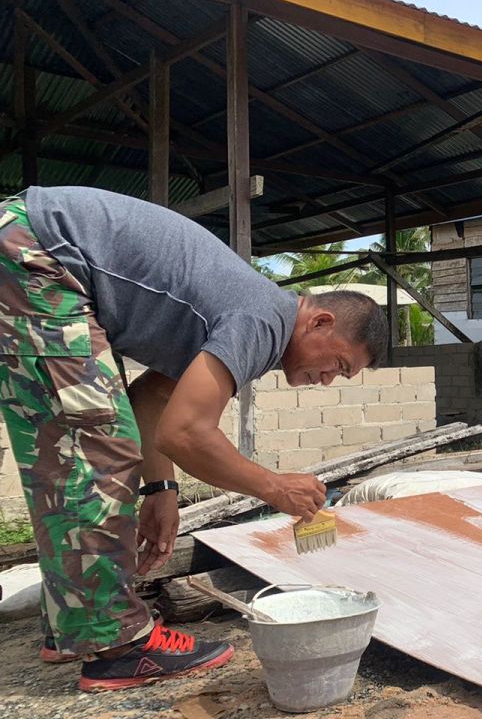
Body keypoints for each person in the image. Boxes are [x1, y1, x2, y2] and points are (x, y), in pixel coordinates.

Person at [0, 186, 387, 692]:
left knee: (76, 447)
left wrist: (161, 492)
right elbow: (187, 434)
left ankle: (76, 626)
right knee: (92, 446)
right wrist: (274, 488)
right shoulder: (261, 320)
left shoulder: (247, 316)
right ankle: (118, 649)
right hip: (40, 253)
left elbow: (154, 403)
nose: (328, 379)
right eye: (338, 364)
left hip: (31, 243)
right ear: (320, 320)